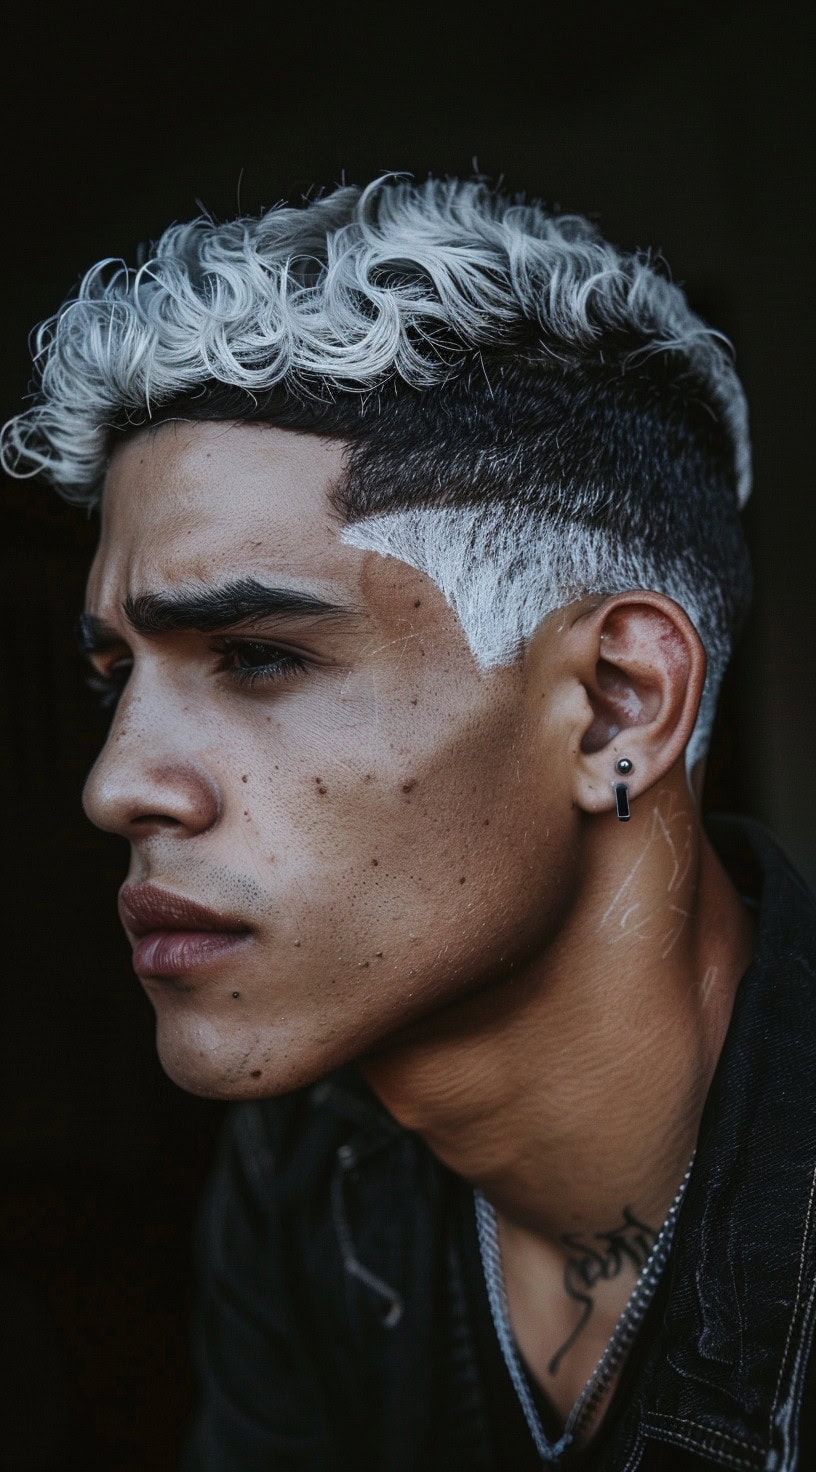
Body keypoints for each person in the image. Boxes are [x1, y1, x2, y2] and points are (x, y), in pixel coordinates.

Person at [3, 176, 814, 1472]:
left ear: (617, 709)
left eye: (259, 656)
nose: (117, 786)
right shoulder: (306, 1176)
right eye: (117, 678)